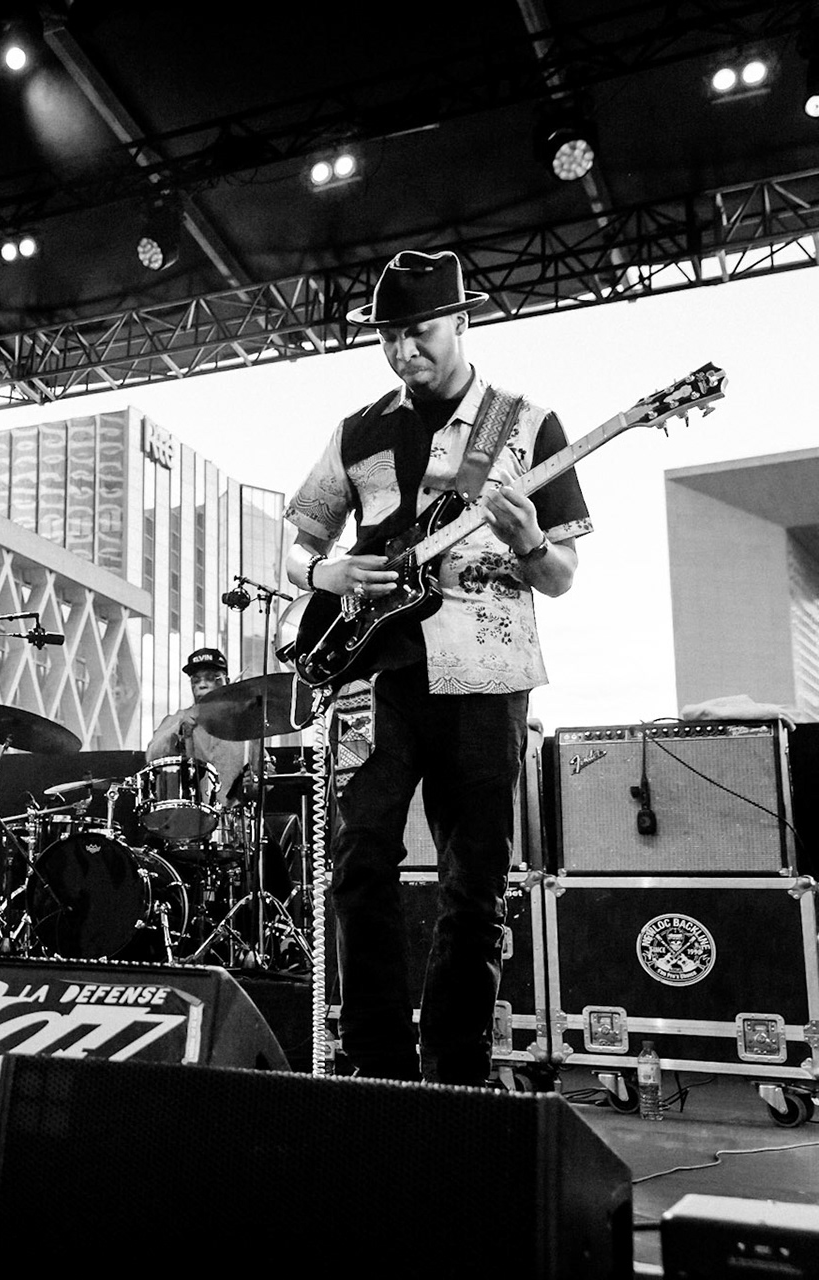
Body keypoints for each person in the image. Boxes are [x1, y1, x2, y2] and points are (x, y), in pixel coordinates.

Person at [282, 249, 590, 1085]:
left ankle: (455, 1072)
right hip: (375, 674)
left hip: (488, 677)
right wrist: (328, 573)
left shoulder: (526, 425)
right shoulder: (359, 429)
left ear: (460, 320)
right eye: (388, 335)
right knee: (358, 863)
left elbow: (560, 577)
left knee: (474, 882)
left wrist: (528, 542)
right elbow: (299, 538)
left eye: (417, 331)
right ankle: (375, 1065)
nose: (401, 350)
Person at [145, 647, 252, 806]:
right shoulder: (177, 719)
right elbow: (151, 757)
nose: (202, 685)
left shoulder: (245, 724)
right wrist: (179, 729)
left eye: (210, 678)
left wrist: (255, 783)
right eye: (196, 680)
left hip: (234, 821)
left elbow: (265, 774)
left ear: (227, 682)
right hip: (188, 820)